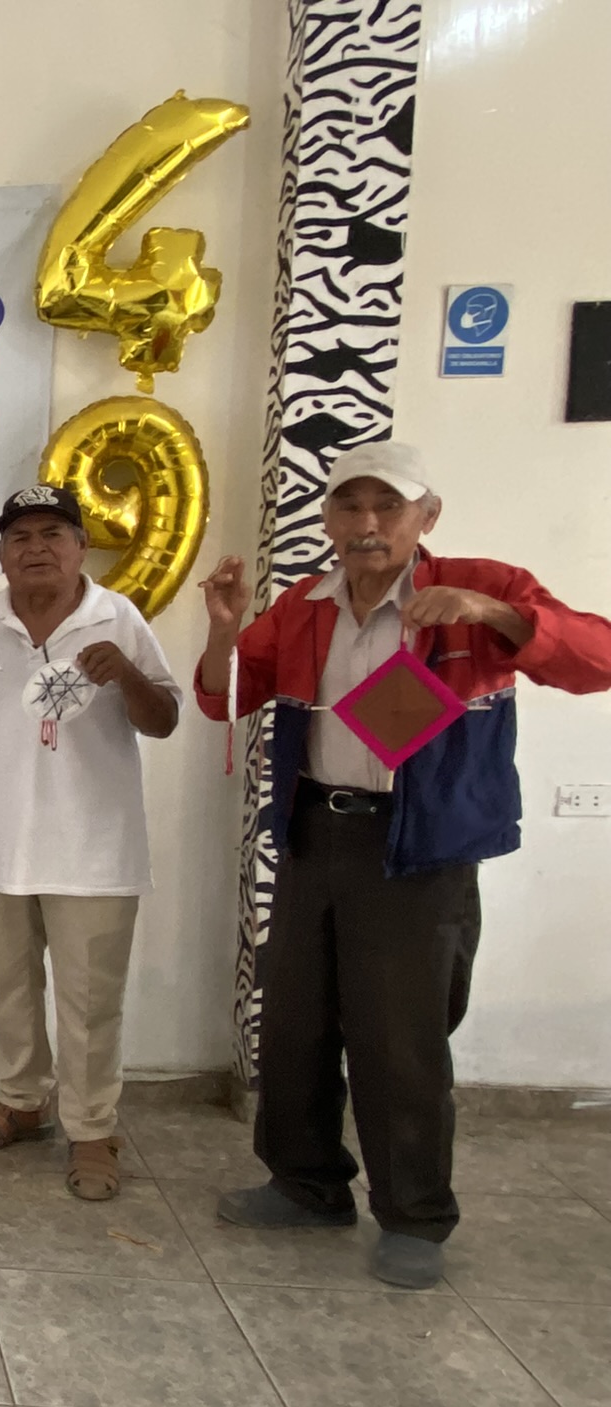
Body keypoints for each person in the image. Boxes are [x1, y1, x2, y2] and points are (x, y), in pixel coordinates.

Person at [197, 441, 611, 1287]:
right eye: (349, 506)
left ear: (427, 516)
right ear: (327, 518)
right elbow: (225, 697)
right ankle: (305, 1184)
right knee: (294, 1022)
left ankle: (415, 1215)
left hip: (419, 845)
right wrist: (225, 628)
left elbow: (597, 659)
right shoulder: (307, 604)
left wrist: (494, 614)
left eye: (388, 506)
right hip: (315, 833)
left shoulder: (480, 586)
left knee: (401, 1038)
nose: (368, 523)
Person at [0, 486, 181, 1200]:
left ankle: (91, 1130)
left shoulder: (117, 617)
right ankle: (20, 1103)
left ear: (81, 547)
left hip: (95, 852)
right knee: (9, 990)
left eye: (53, 534)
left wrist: (125, 673)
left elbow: (164, 720)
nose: (36, 549)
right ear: (1, 553)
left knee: (90, 1003)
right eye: (20, 537)